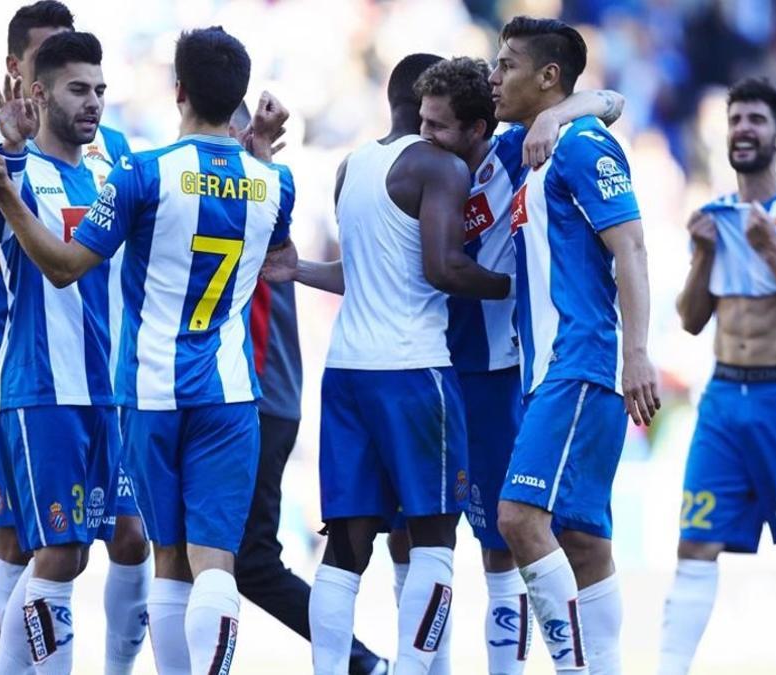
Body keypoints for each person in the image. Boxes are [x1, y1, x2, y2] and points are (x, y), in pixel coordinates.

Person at [0, 25, 294, 675]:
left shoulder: (142, 175)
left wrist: (6, 190)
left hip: (149, 391)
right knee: (212, 564)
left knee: (165, 556)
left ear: (177, 90)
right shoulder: (277, 184)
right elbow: (274, 251)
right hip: (230, 393)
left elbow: (63, 264)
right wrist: (252, 152)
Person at [263, 53, 509, 675]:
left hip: (347, 372)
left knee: (344, 549)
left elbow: (369, 273)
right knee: (433, 543)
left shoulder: (352, 166)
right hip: (414, 371)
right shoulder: (440, 165)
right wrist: (514, 284)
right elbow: (441, 269)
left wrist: (299, 272)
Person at [0, 5, 150, 673]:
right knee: (35, 545)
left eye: (95, 84)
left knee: (127, 536)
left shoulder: (112, 160)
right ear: (23, 76)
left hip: (107, 381)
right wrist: (12, 242)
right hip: (23, 371)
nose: (87, 96)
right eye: (62, 72)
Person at [406, 55, 625, 674]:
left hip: (502, 372)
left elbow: (610, 101)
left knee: (506, 543)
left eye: (441, 127)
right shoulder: (414, 175)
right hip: (426, 370)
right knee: (415, 537)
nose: (428, 139)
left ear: (477, 128)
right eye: (422, 124)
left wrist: (557, 111)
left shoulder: (512, 156)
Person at [660, 77, 776, 675]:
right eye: (736, 119)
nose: (744, 129)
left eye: (756, 120)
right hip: (722, 398)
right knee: (694, 544)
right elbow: (691, 322)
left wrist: (772, 252)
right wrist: (705, 256)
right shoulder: (713, 218)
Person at [488, 16, 659, 674]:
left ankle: (574, 667)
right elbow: (608, 99)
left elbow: (632, 246)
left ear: (548, 77)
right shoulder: (543, 145)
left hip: (580, 365)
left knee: (519, 519)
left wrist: (636, 351)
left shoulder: (584, 146)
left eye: (507, 64)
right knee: (583, 542)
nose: (495, 75)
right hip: (555, 370)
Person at [234, 100, 390, 675]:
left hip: (256, 397)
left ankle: (362, 662)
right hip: (237, 395)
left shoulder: (260, 191)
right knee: (194, 555)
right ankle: (362, 662)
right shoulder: (252, 186)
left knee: (242, 559)